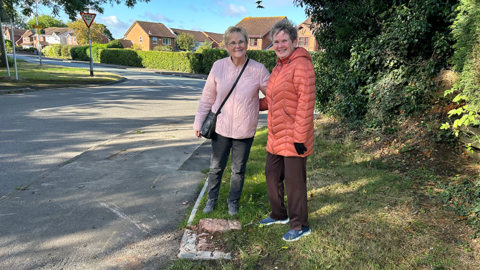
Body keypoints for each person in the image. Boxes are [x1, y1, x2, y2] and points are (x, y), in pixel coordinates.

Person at [193, 26, 270, 216]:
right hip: (221, 128)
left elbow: (273, 95)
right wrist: (198, 122)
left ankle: (232, 202)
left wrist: (255, 105)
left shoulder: (258, 69)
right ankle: (211, 200)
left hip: (245, 130)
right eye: (233, 43)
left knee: (238, 170)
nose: (238, 46)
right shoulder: (218, 66)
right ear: (226, 46)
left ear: (247, 43)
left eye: (241, 41)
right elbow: (207, 97)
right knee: (216, 167)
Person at [258, 19, 316, 241]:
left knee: (294, 182)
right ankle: (278, 214)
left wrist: (300, 137)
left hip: (295, 136)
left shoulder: (301, 64)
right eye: (276, 41)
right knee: (272, 174)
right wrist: (252, 104)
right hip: (276, 134)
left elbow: (306, 101)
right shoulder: (280, 65)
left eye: (284, 40)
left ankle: (300, 225)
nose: (279, 45)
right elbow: (273, 98)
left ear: (293, 41)